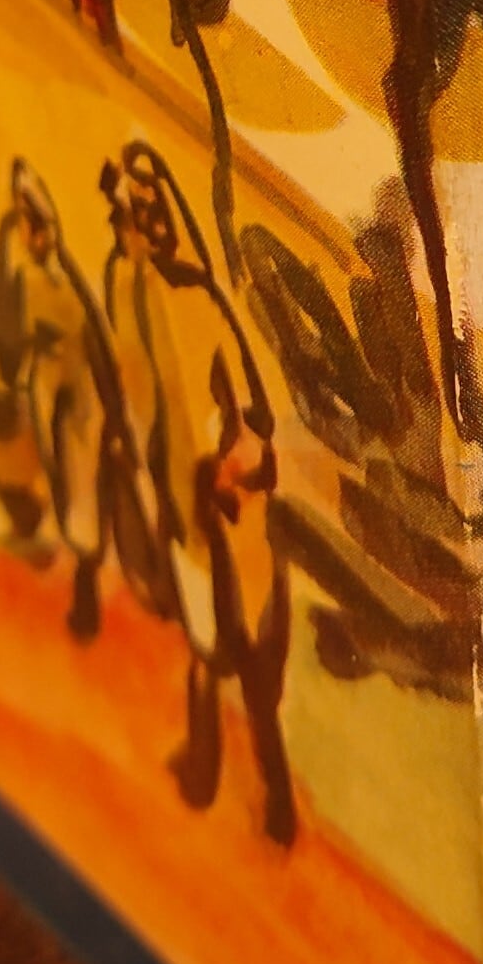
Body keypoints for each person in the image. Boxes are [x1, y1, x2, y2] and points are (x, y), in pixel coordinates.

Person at [102, 140, 296, 846]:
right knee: (205, 645)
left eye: (140, 217)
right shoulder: (137, 294)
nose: (133, 230)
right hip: (187, 509)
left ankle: (269, 801)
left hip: (231, 520)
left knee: (246, 664)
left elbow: (252, 414)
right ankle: (207, 770)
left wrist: (229, 470)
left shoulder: (194, 297)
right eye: (127, 217)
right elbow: (143, 398)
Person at [0, 160, 141, 638]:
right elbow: (14, 338)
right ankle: (71, 566)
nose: (33, 235)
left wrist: (112, 409)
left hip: (83, 405)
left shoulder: (66, 278)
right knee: (62, 485)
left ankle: (86, 580)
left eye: (36, 224)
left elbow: (96, 340)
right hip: (49, 398)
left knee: (85, 490)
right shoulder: (25, 277)